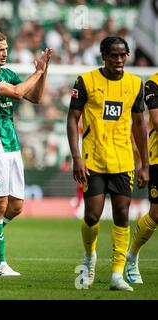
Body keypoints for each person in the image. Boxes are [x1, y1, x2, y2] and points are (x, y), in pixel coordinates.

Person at [67, 36, 148, 291]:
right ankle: (89, 256)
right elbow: (72, 119)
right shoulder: (86, 81)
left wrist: (144, 163)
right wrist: (77, 156)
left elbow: (139, 124)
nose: (119, 60)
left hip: (123, 160)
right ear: (103, 56)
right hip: (93, 159)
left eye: (123, 55)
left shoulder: (135, 85)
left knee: (123, 214)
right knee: (92, 216)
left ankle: (116, 274)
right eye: (114, 55)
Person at [0, 31, 52, 276]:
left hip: (11, 145)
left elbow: (36, 97)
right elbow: (18, 93)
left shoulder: (8, 74)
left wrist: (44, 70)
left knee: (16, 206)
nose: (5, 53)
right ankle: (0, 264)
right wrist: (37, 72)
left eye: (6, 49)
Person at [125, 72, 158, 284]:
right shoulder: (153, 83)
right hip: (157, 159)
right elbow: (156, 119)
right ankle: (132, 256)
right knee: (156, 213)